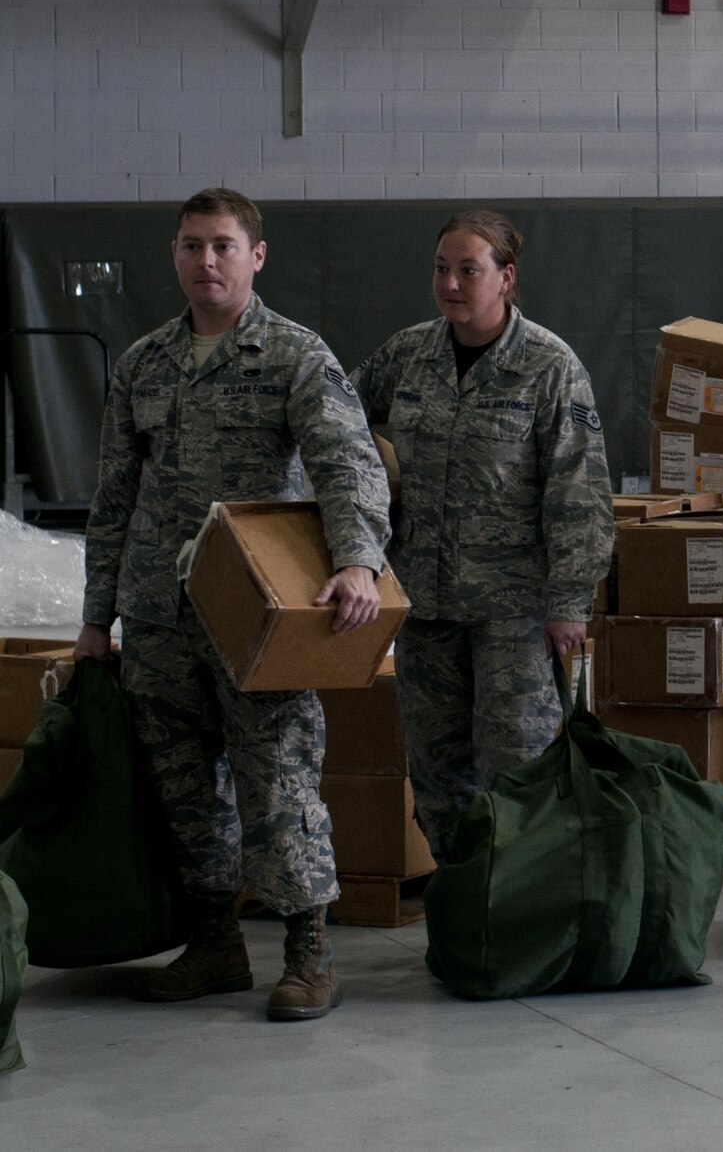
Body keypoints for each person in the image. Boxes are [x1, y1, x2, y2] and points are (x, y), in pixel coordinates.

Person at [79, 188, 391, 1021]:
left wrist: (358, 561)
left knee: (279, 780)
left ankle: (307, 954)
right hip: (158, 614)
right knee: (185, 789)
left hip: (257, 615)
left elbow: (347, 463)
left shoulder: (294, 355)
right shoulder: (144, 364)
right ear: (174, 255)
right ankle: (214, 946)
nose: (205, 261)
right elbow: (112, 499)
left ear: (257, 256)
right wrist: (91, 621)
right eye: (190, 246)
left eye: (222, 245)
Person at [354, 210, 614, 853]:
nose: (450, 283)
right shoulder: (408, 355)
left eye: (469, 269)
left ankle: (521, 912)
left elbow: (578, 489)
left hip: (515, 611)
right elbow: (339, 422)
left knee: (516, 766)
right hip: (425, 603)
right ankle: (463, 905)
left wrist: (570, 600)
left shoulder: (549, 367)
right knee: (437, 772)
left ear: (506, 277)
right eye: (442, 269)